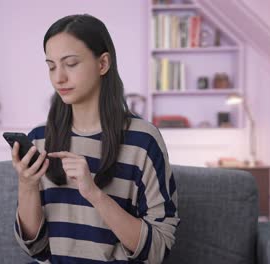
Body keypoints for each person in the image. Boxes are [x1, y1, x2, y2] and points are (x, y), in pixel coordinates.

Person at [11, 14, 179, 264]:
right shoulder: (39, 140)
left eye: (71, 63)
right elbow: (35, 249)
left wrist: (94, 194)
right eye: (51, 66)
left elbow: (158, 250)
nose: (59, 78)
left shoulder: (142, 141)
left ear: (102, 64)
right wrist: (27, 186)